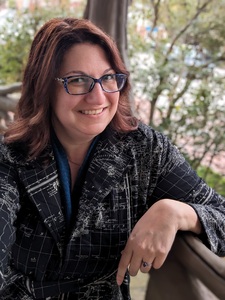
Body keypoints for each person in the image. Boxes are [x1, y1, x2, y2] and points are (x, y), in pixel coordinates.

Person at [0, 17, 224, 300]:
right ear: (44, 86)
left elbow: (222, 215)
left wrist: (177, 212)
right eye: (78, 80)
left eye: (108, 78)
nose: (98, 98)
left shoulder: (143, 149)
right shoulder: (10, 158)